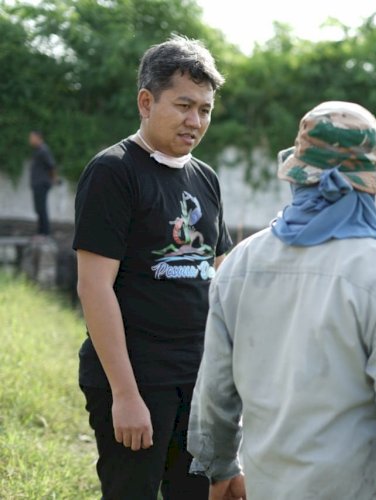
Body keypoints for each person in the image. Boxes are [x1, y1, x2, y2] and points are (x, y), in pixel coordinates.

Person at [188, 101, 376, 499]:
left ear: (299, 176)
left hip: (267, 486)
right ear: (368, 185)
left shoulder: (242, 264)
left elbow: (214, 392)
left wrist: (220, 468)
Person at [73, 35, 233, 500]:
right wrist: (125, 395)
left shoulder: (206, 178)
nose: (195, 121)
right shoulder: (114, 172)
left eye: (204, 109)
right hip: (138, 379)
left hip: (198, 382)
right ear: (146, 101)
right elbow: (94, 287)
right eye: (184, 105)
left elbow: (221, 277)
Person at [28, 130, 58, 236]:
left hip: (42, 184)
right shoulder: (37, 151)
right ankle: (41, 232)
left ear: (38, 138)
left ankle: (45, 233)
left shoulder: (43, 150)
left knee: (42, 208)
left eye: (32, 137)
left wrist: (54, 179)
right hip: (37, 184)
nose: (30, 140)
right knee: (39, 208)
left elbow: (51, 166)